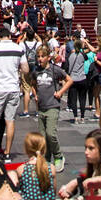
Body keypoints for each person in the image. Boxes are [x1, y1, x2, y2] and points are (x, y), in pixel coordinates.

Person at [0, 26, 28, 160]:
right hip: (13, 88)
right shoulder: (19, 49)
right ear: (10, 36)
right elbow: (26, 69)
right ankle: (8, 152)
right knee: (10, 120)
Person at [30, 44, 72, 173]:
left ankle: (58, 156)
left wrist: (60, 93)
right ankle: (47, 158)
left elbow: (69, 80)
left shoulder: (54, 70)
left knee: (50, 133)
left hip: (53, 105)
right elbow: (32, 83)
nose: (40, 59)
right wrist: (35, 95)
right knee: (43, 137)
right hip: (41, 106)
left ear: (48, 57)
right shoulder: (36, 71)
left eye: (42, 56)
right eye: (38, 57)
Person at [16, 131, 59, 200]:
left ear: (26, 149)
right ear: (44, 149)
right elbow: (53, 191)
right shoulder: (51, 168)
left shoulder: (21, 169)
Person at [65, 39, 89, 123]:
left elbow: (67, 66)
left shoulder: (70, 55)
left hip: (73, 79)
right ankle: (82, 117)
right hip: (82, 78)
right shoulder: (82, 55)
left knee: (74, 99)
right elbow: (86, 58)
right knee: (82, 98)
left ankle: (75, 117)